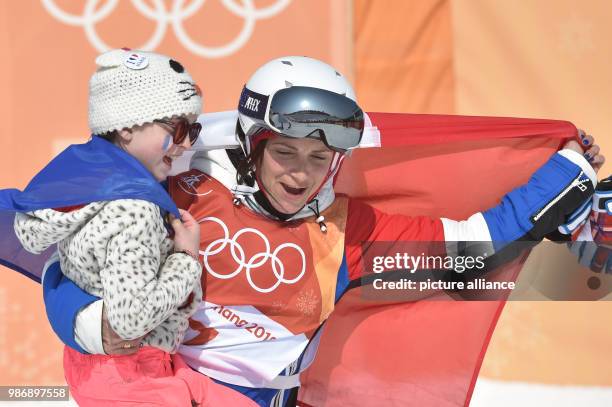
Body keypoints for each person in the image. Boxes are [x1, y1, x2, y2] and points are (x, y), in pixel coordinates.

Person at [41, 56, 605, 407]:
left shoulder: (349, 232)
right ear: (253, 144)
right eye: (284, 151)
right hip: (149, 385)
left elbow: (472, 251)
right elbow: (72, 252)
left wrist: (568, 174)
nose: (300, 172)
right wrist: (87, 322)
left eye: (320, 157)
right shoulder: (182, 183)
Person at [5, 49, 256, 406]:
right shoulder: (134, 208)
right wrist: (185, 257)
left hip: (115, 368)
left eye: (193, 130)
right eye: (179, 128)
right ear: (126, 126)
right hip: (131, 376)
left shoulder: (86, 179)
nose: (186, 144)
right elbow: (131, 319)